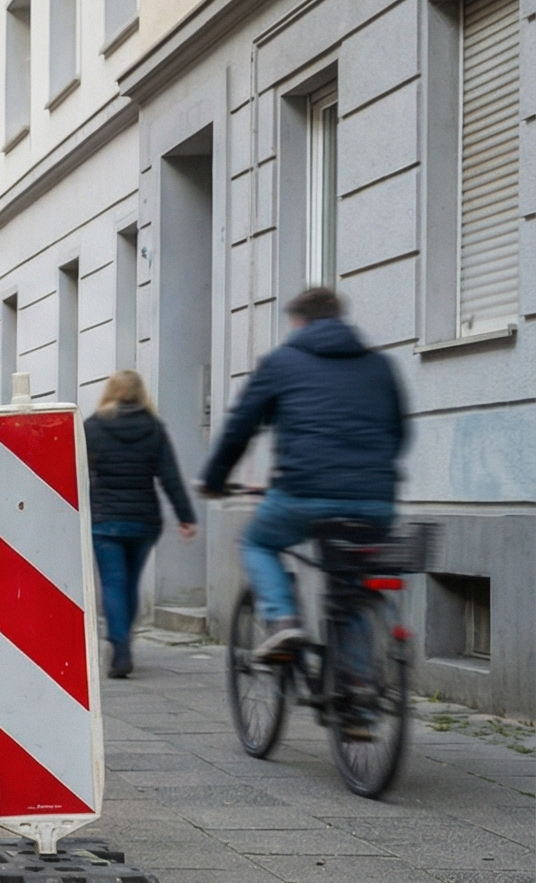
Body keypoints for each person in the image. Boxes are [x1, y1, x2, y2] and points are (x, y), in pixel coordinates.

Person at [198, 286, 404, 660]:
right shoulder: (379, 365)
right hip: (374, 501)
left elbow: (240, 428)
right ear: (340, 318)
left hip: (304, 492)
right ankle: (357, 694)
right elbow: (400, 433)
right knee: (349, 585)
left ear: (299, 321)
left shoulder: (282, 361)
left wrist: (214, 479)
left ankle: (282, 620)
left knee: (257, 543)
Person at [83, 371, 196, 679]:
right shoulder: (153, 428)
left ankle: (120, 647)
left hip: (105, 520)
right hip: (143, 520)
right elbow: (169, 476)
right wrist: (185, 516)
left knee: (113, 583)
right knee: (130, 583)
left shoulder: (93, 427)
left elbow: (76, 472)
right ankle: (123, 640)